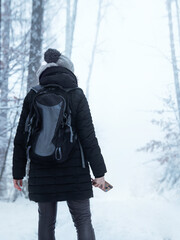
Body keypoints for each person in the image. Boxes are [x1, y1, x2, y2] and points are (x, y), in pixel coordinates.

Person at [12, 48, 108, 240]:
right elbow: (88, 137)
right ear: (69, 71)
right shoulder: (76, 94)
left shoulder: (33, 94)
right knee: (82, 219)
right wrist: (99, 173)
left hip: (42, 167)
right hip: (75, 169)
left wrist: (18, 173)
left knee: (46, 221)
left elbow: (21, 137)